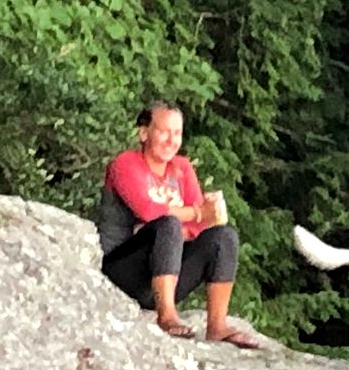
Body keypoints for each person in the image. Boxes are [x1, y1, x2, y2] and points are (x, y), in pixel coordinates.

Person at [96, 102, 258, 349]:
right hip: (123, 268)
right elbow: (149, 211)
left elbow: (202, 226)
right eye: (164, 131)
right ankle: (167, 315)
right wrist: (190, 215)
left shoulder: (182, 168)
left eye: (177, 133)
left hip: (165, 270)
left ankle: (217, 324)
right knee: (167, 225)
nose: (171, 140)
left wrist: (179, 228)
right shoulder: (126, 163)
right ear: (144, 133)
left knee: (223, 236)